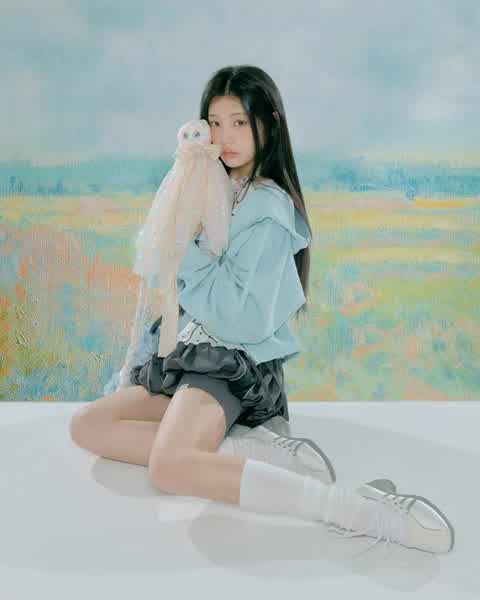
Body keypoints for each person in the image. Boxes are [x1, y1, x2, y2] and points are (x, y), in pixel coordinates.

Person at [70, 65, 454, 557]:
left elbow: (240, 316)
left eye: (240, 123)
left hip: (229, 361)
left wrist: (181, 251)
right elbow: (170, 270)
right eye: (215, 122)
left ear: (268, 124)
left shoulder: (269, 208)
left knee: (170, 466)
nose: (225, 137)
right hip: (189, 351)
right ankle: (251, 449)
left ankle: (363, 510)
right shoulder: (212, 185)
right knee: (88, 426)